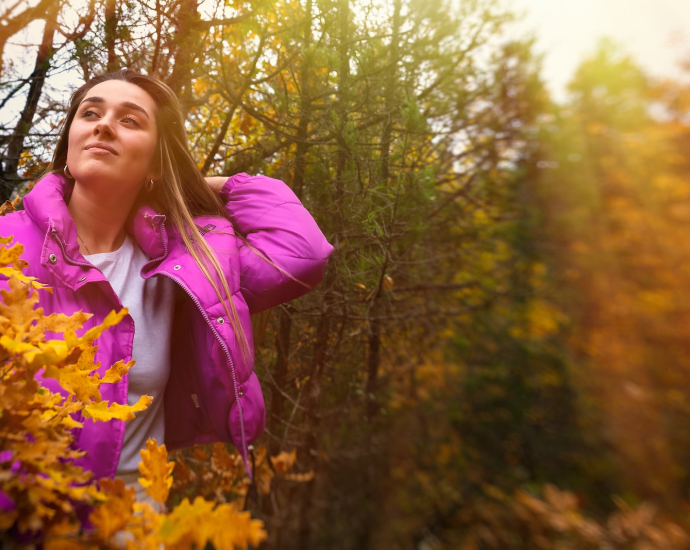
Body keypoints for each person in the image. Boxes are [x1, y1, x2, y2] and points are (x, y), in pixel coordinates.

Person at [0, 69, 333, 502]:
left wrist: (207, 186)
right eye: (91, 113)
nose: (103, 124)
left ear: (157, 161)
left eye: (130, 120)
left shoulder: (182, 266)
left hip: (136, 528)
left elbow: (301, 254)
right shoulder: (8, 245)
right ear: (69, 145)